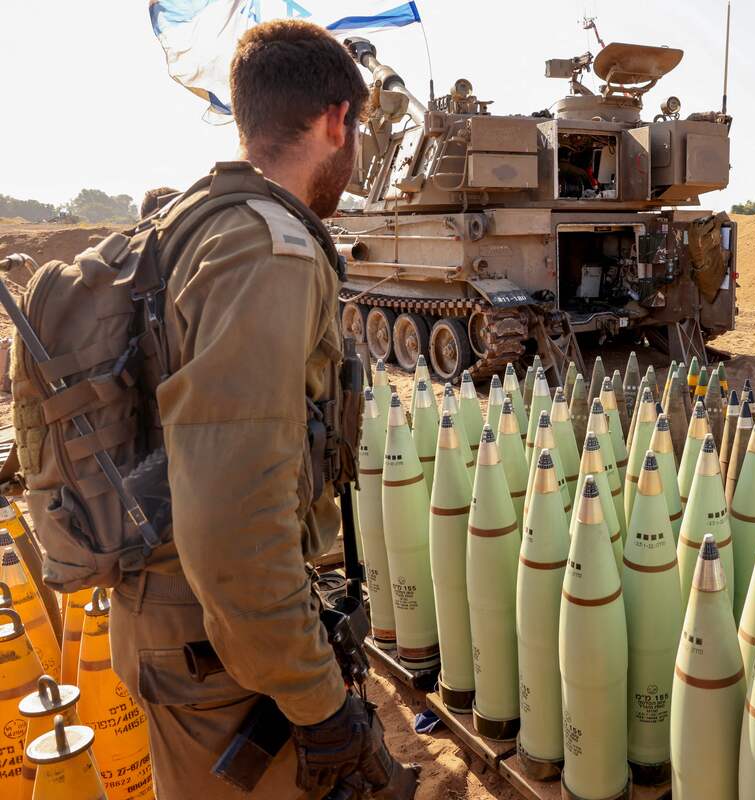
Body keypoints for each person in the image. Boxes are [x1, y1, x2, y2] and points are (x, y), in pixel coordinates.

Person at [109, 20, 418, 798]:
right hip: (216, 645)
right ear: (336, 120)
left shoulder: (196, 220)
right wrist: (319, 708)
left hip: (192, 622)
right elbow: (233, 523)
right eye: (358, 130)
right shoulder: (266, 250)